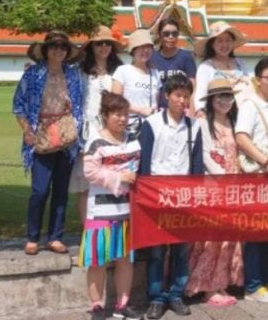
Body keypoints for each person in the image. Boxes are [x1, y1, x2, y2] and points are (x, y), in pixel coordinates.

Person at [13, 31, 85, 256]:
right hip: (40, 136)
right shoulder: (33, 75)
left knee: (61, 192)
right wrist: (27, 130)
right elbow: (18, 105)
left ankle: (55, 236)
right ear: (45, 51)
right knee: (40, 190)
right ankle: (33, 236)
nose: (58, 51)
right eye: (53, 47)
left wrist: (75, 129)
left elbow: (79, 105)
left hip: (66, 138)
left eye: (62, 48)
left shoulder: (72, 76)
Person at [138, 75, 204, 319]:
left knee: (180, 250)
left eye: (186, 96)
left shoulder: (194, 126)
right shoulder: (152, 124)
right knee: (156, 251)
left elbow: (196, 164)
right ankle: (156, 297)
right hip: (157, 195)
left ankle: (177, 293)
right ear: (167, 96)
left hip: (183, 196)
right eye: (177, 95)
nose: (182, 100)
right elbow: (144, 163)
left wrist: (197, 195)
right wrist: (145, 196)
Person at [234, 57, 268, 304]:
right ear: (258, 80)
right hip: (259, 176)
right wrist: (266, 162)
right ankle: (253, 285)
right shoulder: (250, 105)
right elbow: (242, 138)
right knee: (257, 232)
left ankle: (267, 278)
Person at [185, 78, 244, 307]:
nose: (224, 101)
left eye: (228, 96)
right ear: (210, 100)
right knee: (211, 238)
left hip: (236, 187)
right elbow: (206, 155)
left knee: (229, 239)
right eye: (219, 96)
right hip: (214, 187)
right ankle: (205, 287)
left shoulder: (234, 121)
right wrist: (224, 179)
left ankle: (222, 283)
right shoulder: (202, 123)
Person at [81, 93, 139, 320]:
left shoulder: (133, 138)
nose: (122, 119)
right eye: (117, 114)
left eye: (125, 114)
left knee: (126, 259)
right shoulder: (96, 141)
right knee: (98, 261)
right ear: (105, 116)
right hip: (101, 210)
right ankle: (96, 306)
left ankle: (122, 304)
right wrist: (119, 177)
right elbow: (90, 172)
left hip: (128, 209)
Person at [69, 25, 125, 223]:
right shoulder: (80, 72)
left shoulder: (119, 70)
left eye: (107, 43)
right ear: (91, 46)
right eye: (99, 43)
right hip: (87, 129)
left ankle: (111, 225)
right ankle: (88, 228)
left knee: (110, 177)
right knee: (85, 182)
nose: (104, 47)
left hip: (111, 129)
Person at [193, 21, 250, 111]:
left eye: (228, 40)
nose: (225, 45)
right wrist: (201, 110)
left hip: (243, 113)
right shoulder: (206, 67)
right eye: (220, 41)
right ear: (212, 44)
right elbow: (201, 92)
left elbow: (248, 86)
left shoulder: (240, 63)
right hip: (217, 114)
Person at [112, 29, 160, 132]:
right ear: (133, 50)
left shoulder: (155, 73)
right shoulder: (123, 71)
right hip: (128, 126)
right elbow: (115, 100)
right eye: (141, 47)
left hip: (152, 126)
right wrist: (140, 110)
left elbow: (156, 100)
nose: (145, 51)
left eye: (148, 47)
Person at [150, 17, 197, 109]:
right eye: (166, 34)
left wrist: (192, 110)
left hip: (181, 108)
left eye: (174, 34)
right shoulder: (152, 57)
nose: (170, 37)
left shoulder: (186, 57)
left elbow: (193, 86)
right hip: (158, 109)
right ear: (159, 35)